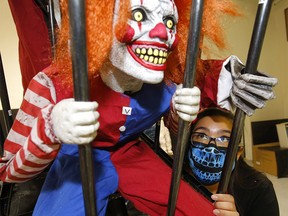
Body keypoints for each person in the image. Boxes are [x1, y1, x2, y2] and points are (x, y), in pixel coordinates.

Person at [0, 0, 277, 215]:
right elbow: (9, 170)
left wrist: (234, 82)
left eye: (169, 21)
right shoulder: (51, 83)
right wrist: (51, 127)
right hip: (77, 158)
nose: (161, 32)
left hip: (133, 152)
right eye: (141, 15)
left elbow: (203, 75)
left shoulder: (168, 77)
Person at [187, 107, 280, 216]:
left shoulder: (259, 189)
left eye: (224, 139)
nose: (211, 147)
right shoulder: (173, 178)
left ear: (238, 153)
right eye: (202, 135)